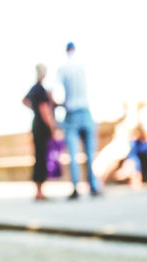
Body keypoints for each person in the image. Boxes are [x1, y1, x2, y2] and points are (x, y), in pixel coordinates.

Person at [56, 42, 100, 199]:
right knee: (90, 153)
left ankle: (75, 187)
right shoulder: (83, 66)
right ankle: (93, 186)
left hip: (72, 112)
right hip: (85, 110)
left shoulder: (62, 69)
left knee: (73, 154)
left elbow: (57, 92)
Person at [23, 64, 60, 200]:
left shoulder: (34, 88)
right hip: (42, 127)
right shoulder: (41, 89)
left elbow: (25, 101)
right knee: (42, 158)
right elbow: (45, 110)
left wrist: (34, 109)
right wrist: (52, 127)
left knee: (38, 157)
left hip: (35, 125)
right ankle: (40, 192)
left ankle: (38, 191)